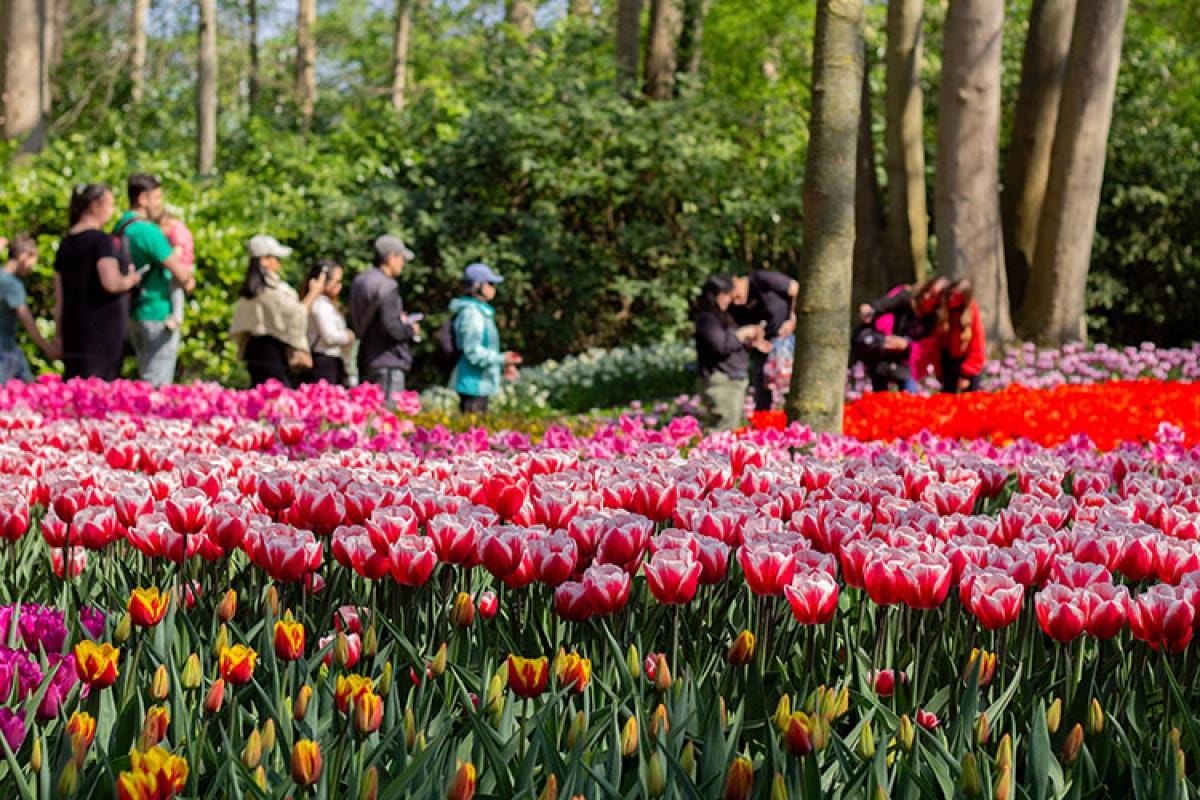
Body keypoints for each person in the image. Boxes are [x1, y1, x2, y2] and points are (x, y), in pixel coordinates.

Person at [54, 184, 141, 381]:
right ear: (95, 206)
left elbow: (58, 296)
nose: (111, 211)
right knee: (98, 388)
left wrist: (58, 334)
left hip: (73, 331)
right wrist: (130, 280)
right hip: (102, 333)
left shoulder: (66, 243)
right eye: (110, 205)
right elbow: (110, 282)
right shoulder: (101, 240)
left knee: (76, 385)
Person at [117, 175, 194, 386]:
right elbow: (180, 272)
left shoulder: (121, 226)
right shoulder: (147, 230)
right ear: (143, 199)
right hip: (157, 312)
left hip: (133, 311)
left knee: (145, 374)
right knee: (156, 383)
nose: (160, 204)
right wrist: (188, 277)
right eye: (157, 198)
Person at [230, 235, 321, 388]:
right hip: (272, 355)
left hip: (255, 353)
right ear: (264, 260)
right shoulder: (267, 291)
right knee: (277, 395)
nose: (279, 262)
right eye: (276, 258)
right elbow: (297, 315)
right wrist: (314, 293)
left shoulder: (251, 290)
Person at [349, 235, 420, 409]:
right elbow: (392, 329)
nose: (403, 263)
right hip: (388, 362)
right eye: (401, 258)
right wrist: (410, 329)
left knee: (367, 415)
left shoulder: (359, 281)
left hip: (366, 358)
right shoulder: (387, 286)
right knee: (386, 418)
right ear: (390, 258)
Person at [695, 274, 767, 432]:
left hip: (732, 379)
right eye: (726, 294)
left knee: (731, 426)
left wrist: (750, 343)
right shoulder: (708, 319)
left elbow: (730, 344)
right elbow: (720, 346)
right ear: (715, 295)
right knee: (724, 428)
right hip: (722, 381)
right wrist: (741, 334)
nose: (729, 299)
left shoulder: (723, 316)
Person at [449, 263, 520, 415]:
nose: (493, 288)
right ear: (477, 286)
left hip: (480, 385)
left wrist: (503, 364)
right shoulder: (471, 314)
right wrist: (501, 359)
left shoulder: (481, 312)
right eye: (490, 283)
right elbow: (472, 352)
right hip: (472, 385)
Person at [856, 277, 949, 393]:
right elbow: (883, 304)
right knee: (879, 396)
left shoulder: (935, 321)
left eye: (933, 296)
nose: (926, 296)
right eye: (927, 290)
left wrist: (907, 345)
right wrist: (871, 310)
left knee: (909, 394)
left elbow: (927, 348)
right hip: (882, 355)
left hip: (907, 364)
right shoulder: (905, 296)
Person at [729, 270, 798, 412]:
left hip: (787, 345)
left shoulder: (761, 279)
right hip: (763, 352)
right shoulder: (734, 307)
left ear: (737, 281)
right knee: (763, 396)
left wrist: (793, 319)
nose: (735, 301)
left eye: (736, 295)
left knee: (791, 391)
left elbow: (796, 289)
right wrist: (755, 342)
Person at [0, 236, 60, 382]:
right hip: (5, 351)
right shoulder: (13, 285)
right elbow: (27, 321)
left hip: (10, 348)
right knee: (27, 389)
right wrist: (47, 348)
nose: (31, 268)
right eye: (32, 262)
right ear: (23, 257)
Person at [302, 259, 354, 386]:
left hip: (329, 361)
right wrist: (348, 336)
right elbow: (330, 336)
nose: (339, 286)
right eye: (336, 282)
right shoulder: (320, 304)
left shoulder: (325, 303)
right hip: (324, 362)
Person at [937, 278, 986, 393]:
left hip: (968, 365)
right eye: (950, 295)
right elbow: (938, 344)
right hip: (949, 363)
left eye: (955, 296)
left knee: (969, 399)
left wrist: (966, 374)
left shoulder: (971, 312)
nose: (951, 299)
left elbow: (977, 346)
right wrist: (939, 369)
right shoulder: (944, 311)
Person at [157, 206, 195, 333]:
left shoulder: (177, 230)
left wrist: (165, 261)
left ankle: (177, 316)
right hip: (186, 264)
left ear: (165, 222)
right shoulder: (179, 227)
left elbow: (177, 252)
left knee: (175, 289)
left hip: (182, 265)